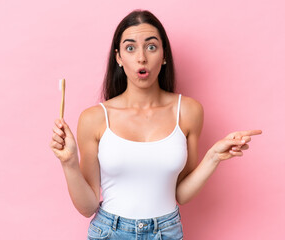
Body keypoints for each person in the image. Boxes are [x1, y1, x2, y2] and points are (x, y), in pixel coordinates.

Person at [50, 9, 262, 240]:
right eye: (130, 48)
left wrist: (213, 157)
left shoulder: (188, 111)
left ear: (163, 55)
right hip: (109, 232)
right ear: (119, 57)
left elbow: (181, 193)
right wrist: (69, 162)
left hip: (167, 232)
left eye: (151, 47)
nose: (141, 57)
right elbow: (87, 206)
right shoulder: (94, 118)